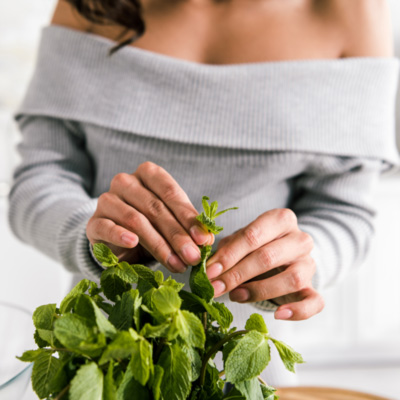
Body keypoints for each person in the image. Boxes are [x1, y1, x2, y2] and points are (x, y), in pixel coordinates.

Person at [8, 0, 399, 387]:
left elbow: (346, 210)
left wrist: (302, 260)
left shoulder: (354, 12)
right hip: (102, 363)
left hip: (244, 371)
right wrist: (92, 236)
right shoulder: (90, 7)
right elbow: (37, 181)